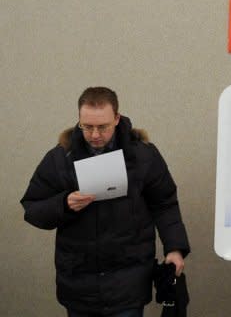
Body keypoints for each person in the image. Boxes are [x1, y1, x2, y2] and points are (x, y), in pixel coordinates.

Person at [20, 87, 190, 317]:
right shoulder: (61, 158)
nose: (95, 135)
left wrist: (175, 248)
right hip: (79, 284)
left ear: (117, 119)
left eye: (103, 127)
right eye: (87, 126)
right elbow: (32, 207)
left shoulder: (143, 156)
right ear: (79, 120)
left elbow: (165, 204)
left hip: (128, 283)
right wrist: (64, 204)